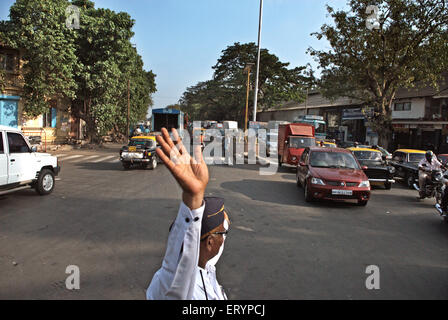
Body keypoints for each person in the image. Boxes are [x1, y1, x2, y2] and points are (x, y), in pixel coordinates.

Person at [146, 127, 230, 300]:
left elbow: (218, 230)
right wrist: (193, 199)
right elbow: (173, 269)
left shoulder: (207, 264)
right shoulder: (176, 283)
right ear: (209, 242)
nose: (224, 239)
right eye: (223, 234)